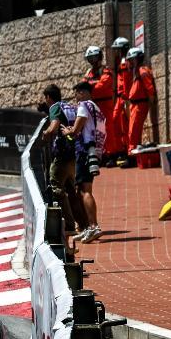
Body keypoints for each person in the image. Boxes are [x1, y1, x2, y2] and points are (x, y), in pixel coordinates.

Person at [39, 85, 87, 237]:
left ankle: (68, 225)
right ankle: (83, 224)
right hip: (74, 152)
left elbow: (53, 127)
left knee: (56, 187)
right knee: (71, 190)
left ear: (48, 97)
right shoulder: (69, 106)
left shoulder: (54, 107)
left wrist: (45, 134)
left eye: (45, 98)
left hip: (62, 154)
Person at [61, 81, 106, 243]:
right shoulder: (97, 108)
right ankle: (88, 227)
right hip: (94, 152)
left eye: (76, 94)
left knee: (85, 190)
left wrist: (68, 131)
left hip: (84, 152)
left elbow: (75, 131)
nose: (76, 98)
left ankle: (93, 226)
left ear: (82, 92)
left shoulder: (83, 106)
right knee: (82, 188)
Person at [82, 46, 117, 161]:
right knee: (96, 131)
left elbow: (101, 87)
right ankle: (100, 155)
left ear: (99, 57)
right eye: (90, 58)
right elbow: (83, 87)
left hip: (105, 104)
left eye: (94, 57)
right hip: (94, 105)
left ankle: (111, 155)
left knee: (108, 129)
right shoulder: (89, 73)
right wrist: (91, 84)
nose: (92, 61)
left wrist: (90, 85)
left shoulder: (106, 71)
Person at [124, 47, 156, 154]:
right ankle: (133, 151)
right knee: (132, 130)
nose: (131, 62)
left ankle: (132, 153)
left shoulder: (142, 71)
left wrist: (150, 103)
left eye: (133, 60)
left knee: (134, 130)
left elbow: (149, 88)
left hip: (140, 104)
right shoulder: (137, 71)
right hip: (135, 105)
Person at [107, 37, 131, 161]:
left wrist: (126, 99)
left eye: (117, 49)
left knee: (125, 125)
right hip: (120, 97)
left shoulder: (124, 62)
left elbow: (126, 81)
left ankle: (127, 151)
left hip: (124, 97)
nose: (115, 52)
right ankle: (121, 149)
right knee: (116, 122)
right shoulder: (122, 60)